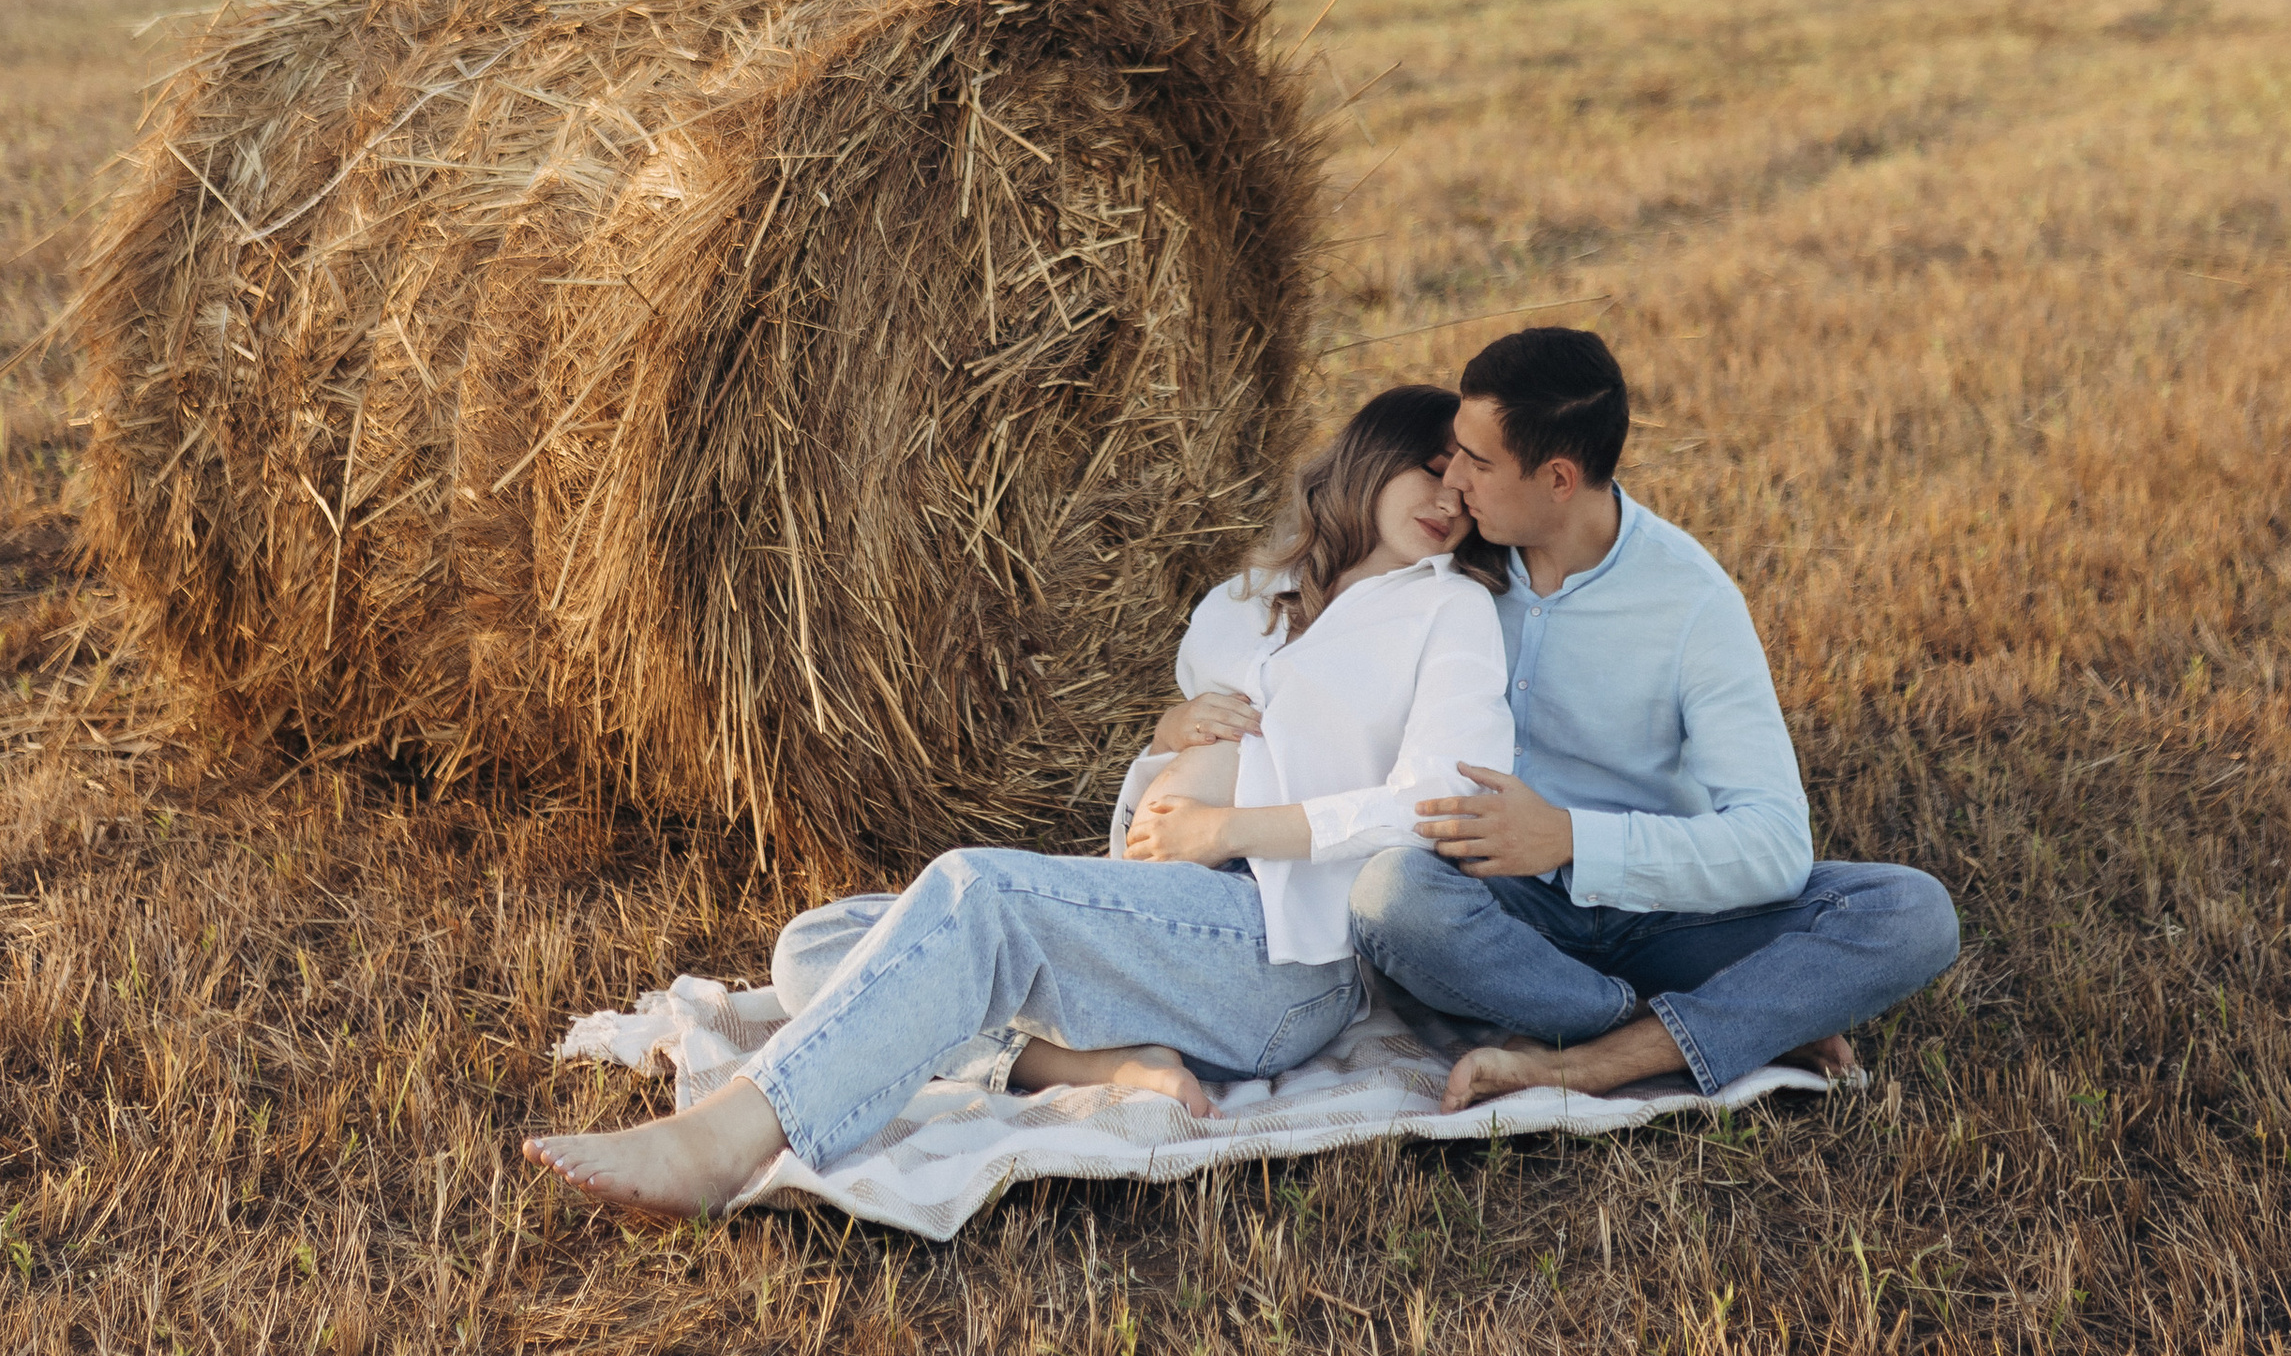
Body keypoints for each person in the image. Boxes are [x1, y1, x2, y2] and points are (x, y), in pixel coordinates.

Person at [524, 385, 1513, 1222]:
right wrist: (1171, 737)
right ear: (1368, 459)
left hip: (1277, 946)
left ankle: (730, 1136)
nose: (1451, 498)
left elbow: (1439, 796)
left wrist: (1230, 826)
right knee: (814, 949)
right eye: (1431, 467)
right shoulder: (1249, 601)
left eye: (1467, 485)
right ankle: (1099, 1068)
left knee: (974, 894)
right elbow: (1200, 744)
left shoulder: (1448, 610)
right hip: (1164, 913)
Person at [1347, 327, 1959, 1111]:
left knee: (1913, 912)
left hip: (1669, 919)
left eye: (1479, 461)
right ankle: (1676, 1026)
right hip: (1507, 911)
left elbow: (1775, 845)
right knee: (1389, 896)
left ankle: (1590, 1062)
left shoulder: (1693, 602)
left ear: (1559, 478)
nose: (1452, 477)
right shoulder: (1449, 561)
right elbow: (1313, 620)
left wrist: (1568, 837)